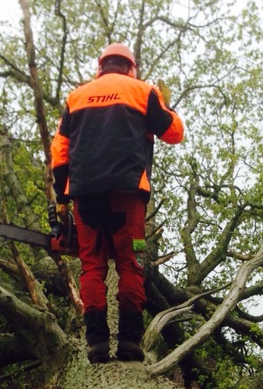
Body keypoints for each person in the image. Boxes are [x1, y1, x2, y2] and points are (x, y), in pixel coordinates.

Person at [50, 43, 184, 363]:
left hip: (84, 195)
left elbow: (60, 154)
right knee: (131, 262)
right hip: (128, 196)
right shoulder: (144, 91)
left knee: (91, 266)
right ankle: (129, 342)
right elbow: (174, 133)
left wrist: (61, 201)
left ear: (100, 67)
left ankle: (97, 343)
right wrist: (165, 104)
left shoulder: (76, 97)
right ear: (131, 68)